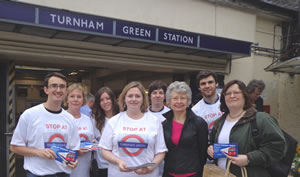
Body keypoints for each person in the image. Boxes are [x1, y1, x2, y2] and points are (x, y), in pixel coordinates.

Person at [207, 80, 285, 177]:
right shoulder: (220, 122)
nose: (232, 96)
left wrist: (249, 159)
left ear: (245, 95)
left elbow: (277, 148)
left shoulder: (262, 119)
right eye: (227, 93)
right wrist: (210, 149)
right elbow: (212, 143)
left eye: (236, 92)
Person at [10, 72, 80, 177]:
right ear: (46, 89)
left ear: (65, 91)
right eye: (54, 86)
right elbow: (14, 147)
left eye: (62, 87)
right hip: (37, 174)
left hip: (63, 174)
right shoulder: (29, 115)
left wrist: (74, 161)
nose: (58, 90)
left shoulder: (70, 119)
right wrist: (39, 152)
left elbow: (74, 148)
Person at [99, 81, 167, 177]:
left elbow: (160, 151)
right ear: (124, 98)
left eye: (138, 96)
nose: (134, 99)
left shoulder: (154, 121)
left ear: (143, 99)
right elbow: (105, 150)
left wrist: (152, 167)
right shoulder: (114, 121)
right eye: (130, 96)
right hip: (119, 174)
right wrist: (118, 162)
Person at [162, 81, 208, 177]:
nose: (179, 101)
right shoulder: (163, 125)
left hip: (193, 174)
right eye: (175, 98)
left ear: (188, 101)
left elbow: (203, 153)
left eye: (183, 98)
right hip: (169, 174)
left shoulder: (199, 123)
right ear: (169, 101)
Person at [65, 83, 96, 177]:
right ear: (66, 99)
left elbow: (92, 140)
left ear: (83, 100)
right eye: (72, 96)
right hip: (65, 170)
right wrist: (76, 151)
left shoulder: (89, 119)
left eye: (79, 96)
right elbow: (55, 145)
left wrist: (93, 144)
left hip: (84, 169)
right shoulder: (61, 118)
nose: (75, 99)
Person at [92, 87, 120, 177]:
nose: (105, 102)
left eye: (108, 98)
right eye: (101, 100)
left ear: (113, 99)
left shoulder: (121, 117)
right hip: (102, 165)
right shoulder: (95, 120)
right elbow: (93, 140)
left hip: (119, 164)